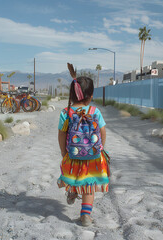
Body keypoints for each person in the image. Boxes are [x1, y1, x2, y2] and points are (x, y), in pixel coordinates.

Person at [57, 63, 110, 227]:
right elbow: (102, 132)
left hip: (72, 153)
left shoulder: (66, 113)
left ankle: (72, 191)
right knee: (89, 184)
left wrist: (63, 151)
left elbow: (62, 134)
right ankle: (86, 215)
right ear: (91, 95)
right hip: (93, 156)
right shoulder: (95, 112)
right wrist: (100, 149)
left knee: (73, 176)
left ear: (71, 94)